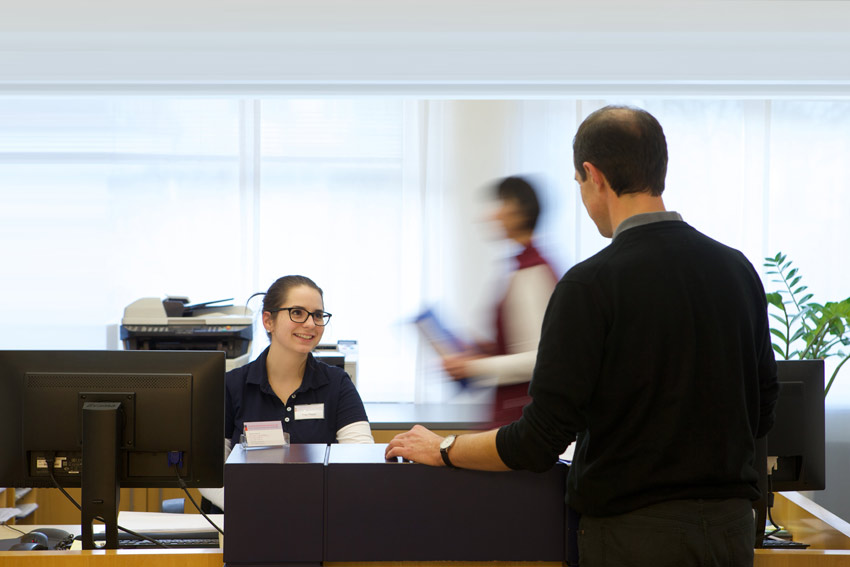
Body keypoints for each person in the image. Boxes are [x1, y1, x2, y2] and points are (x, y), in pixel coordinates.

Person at [387, 106, 779, 567]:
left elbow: (539, 439)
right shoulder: (737, 271)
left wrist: (444, 448)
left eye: (579, 184)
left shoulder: (590, 284)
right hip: (730, 535)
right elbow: (763, 406)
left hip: (634, 537)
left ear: (593, 176)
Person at [201, 275, 372, 511]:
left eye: (318, 315)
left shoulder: (337, 384)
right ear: (268, 321)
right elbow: (208, 473)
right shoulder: (231, 385)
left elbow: (360, 461)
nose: (311, 324)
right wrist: (252, 508)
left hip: (317, 518)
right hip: (242, 520)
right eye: (298, 313)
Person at [442, 176, 558, 426]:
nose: (490, 215)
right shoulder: (523, 266)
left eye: (499, 205)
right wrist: (484, 351)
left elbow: (538, 359)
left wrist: (472, 368)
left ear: (518, 212)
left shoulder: (531, 271)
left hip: (522, 418)